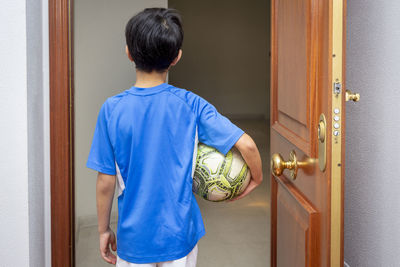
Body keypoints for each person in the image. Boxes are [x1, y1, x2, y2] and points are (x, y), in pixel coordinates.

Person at [86, 8, 263, 267]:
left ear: (129, 53)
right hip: (180, 236)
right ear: (176, 58)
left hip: (134, 239)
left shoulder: (111, 110)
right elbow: (246, 144)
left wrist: (104, 230)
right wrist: (256, 179)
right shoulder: (191, 104)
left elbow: (105, 181)